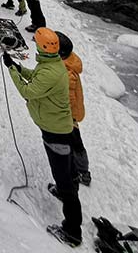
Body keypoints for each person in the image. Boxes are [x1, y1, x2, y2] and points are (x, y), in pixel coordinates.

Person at [5, 28, 82, 248]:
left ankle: (72, 232)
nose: (35, 45)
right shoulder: (51, 64)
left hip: (54, 130)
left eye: (37, 43)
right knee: (67, 168)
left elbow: (28, 92)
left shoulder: (51, 71)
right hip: (58, 127)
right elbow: (38, 77)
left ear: (43, 47)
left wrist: (12, 71)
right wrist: (19, 67)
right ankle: (66, 186)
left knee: (64, 177)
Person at [57, 31, 91, 186]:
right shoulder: (68, 63)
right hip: (70, 114)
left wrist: (66, 117)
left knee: (75, 142)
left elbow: (68, 99)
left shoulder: (68, 73)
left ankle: (83, 173)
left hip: (70, 116)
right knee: (73, 142)